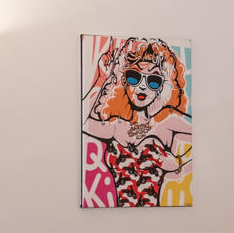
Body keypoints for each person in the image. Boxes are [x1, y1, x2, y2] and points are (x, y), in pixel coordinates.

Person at [82, 37, 192, 207]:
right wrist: (104, 78)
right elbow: (82, 122)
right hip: (116, 219)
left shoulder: (167, 122)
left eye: (153, 81)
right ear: (125, 81)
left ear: (161, 87)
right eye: (134, 77)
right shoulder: (117, 126)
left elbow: (208, 132)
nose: (142, 86)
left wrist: (180, 166)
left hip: (158, 216)